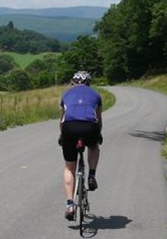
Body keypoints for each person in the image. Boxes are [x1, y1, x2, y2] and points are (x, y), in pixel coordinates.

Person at [58, 71, 102, 221]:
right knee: (94, 146)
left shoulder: (65, 94)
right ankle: (91, 175)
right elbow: (98, 118)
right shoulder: (96, 95)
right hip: (90, 127)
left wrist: (61, 136)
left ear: (73, 82)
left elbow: (62, 120)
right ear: (89, 83)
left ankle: (70, 205)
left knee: (70, 167)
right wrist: (98, 135)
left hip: (69, 128)